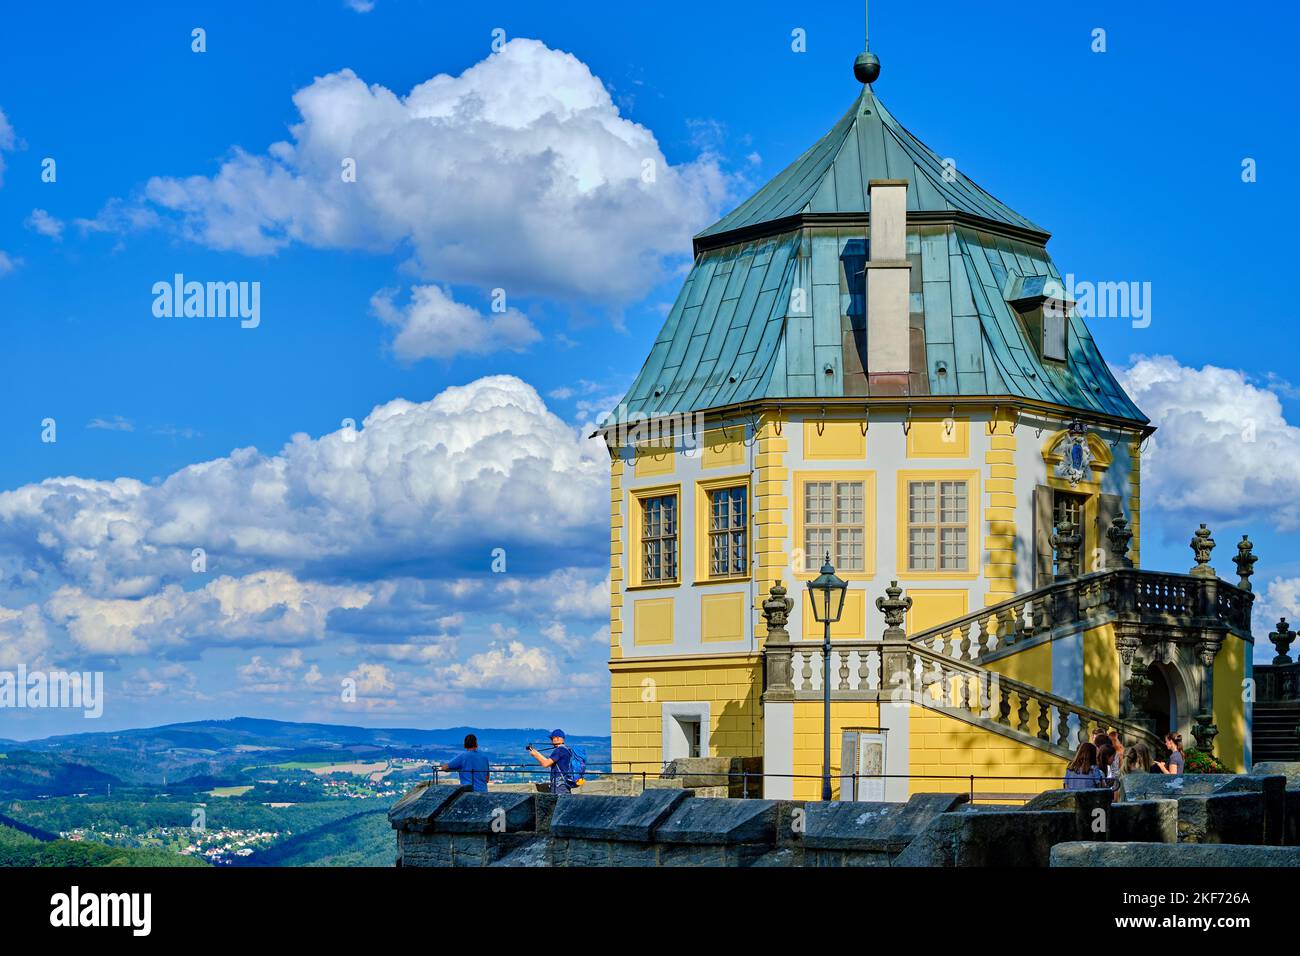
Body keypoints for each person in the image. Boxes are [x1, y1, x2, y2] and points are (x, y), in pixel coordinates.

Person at [527, 729, 576, 795]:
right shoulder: (567, 750)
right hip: (565, 782)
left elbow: (545, 764)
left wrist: (535, 755)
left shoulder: (559, 750)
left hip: (559, 785)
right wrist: (537, 753)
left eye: (552, 739)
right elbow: (549, 762)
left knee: (557, 803)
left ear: (557, 738)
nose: (551, 741)